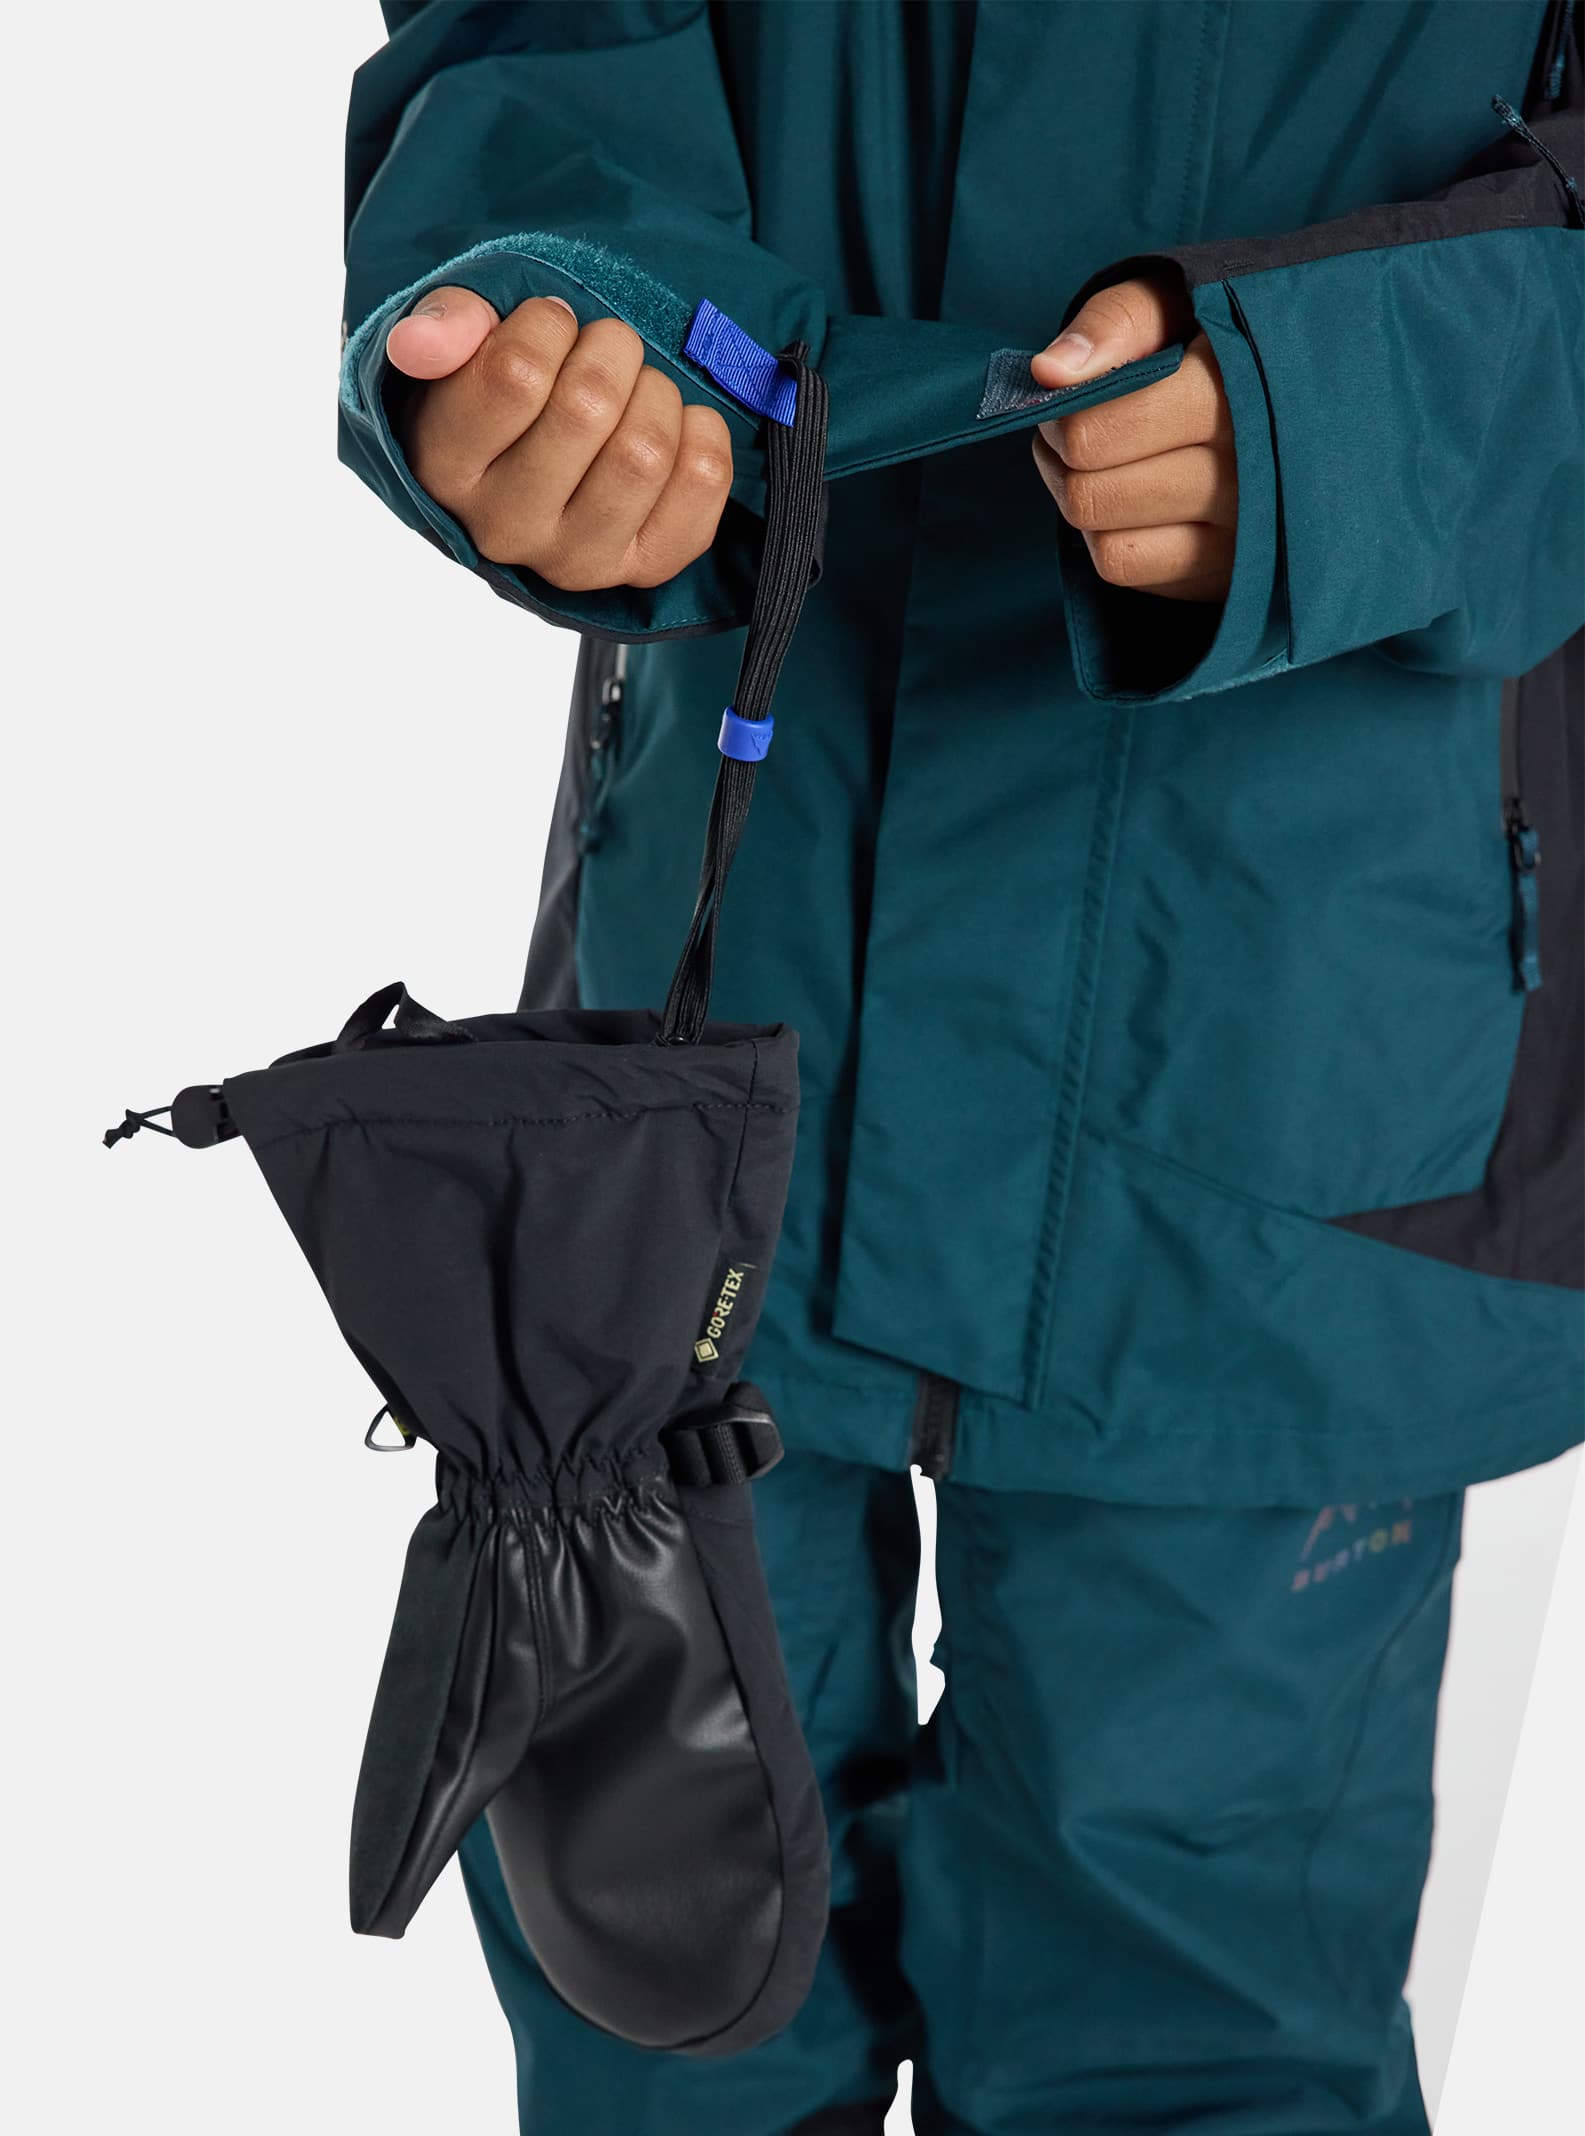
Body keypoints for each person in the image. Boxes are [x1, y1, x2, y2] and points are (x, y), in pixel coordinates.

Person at [339, 5, 1584, 2131]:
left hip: (1287, 1077)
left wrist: (1350, 408)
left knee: (1192, 2045)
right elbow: (529, 44)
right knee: (653, 2007)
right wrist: (563, 304)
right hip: (722, 1040)